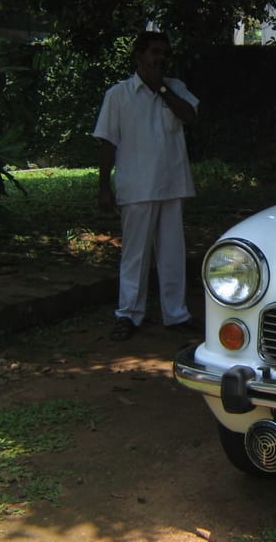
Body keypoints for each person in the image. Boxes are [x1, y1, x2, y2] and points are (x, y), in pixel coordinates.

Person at [93, 31, 200, 341]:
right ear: (139, 56)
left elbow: (190, 116)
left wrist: (162, 88)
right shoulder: (119, 95)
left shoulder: (175, 88)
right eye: (154, 52)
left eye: (164, 53)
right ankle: (128, 314)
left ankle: (175, 313)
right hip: (136, 186)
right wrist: (103, 187)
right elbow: (107, 143)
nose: (160, 58)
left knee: (172, 253)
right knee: (135, 255)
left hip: (172, 185)